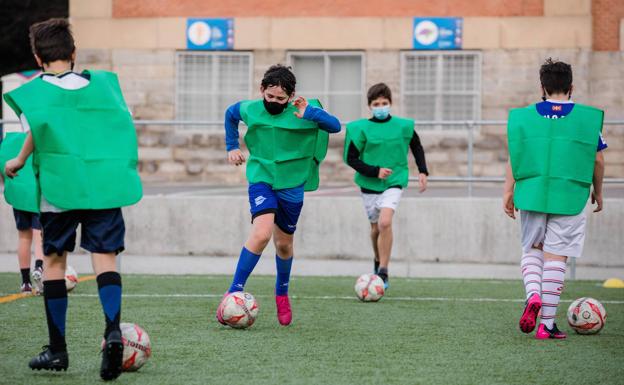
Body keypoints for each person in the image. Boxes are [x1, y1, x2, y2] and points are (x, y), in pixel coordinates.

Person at [4, 18, 142, 379]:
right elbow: (121, 126)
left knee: (54, 261)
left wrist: (17, 161)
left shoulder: (35, 93)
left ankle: (58, 350)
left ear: (38, 57)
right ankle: (113, 331)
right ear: (74, 53)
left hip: (59, 188)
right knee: (105, 257)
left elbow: (37, 132)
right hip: (103, 186)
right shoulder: (104, 87)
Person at [217, 64, 341, 326]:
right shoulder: (251, 108)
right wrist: (231, 146)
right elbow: (230, 114)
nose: (273, 102)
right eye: (269, 96)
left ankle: (282, 294)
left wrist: (310, 112)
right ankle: (233, 291)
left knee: (284, 245)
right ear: (262, 90)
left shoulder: (304, 111)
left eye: (280, 99)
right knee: (261, 233)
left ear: (291, 96)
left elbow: (335, 126)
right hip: (261, 178)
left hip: (293, 183)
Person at [504, 58, 606, 339]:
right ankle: (546, 325)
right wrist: (598, 190)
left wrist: (508, 190)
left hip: (532, 193)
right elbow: (597, 160)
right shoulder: (587, 119)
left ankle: (533, 295)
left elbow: (516, 156)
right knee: (555, 257)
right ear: (571, 87)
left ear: (543, 87)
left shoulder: (523, 118)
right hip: (569, 196)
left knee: (532, 251)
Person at [344, 83, 428, 288]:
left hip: (394, 181)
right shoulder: (359, 128)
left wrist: (423, 171)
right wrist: (375, 171)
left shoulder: (403, 126)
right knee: (375, 229)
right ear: (369, 106)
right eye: (376, 103)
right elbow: (351, 158)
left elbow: (416, 146)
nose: (380, 106)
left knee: (385, 223)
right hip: (369, 184)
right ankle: (377, 259)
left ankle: (383, 271)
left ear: (390, 103)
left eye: (384, 103)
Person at [0, 129, 44, 294]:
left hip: (19, 192)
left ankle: (25, 283)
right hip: (36, 193)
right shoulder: (36, 135)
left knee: (23, 237)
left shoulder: (10, 141)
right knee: (39, 234)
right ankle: (39, 269)